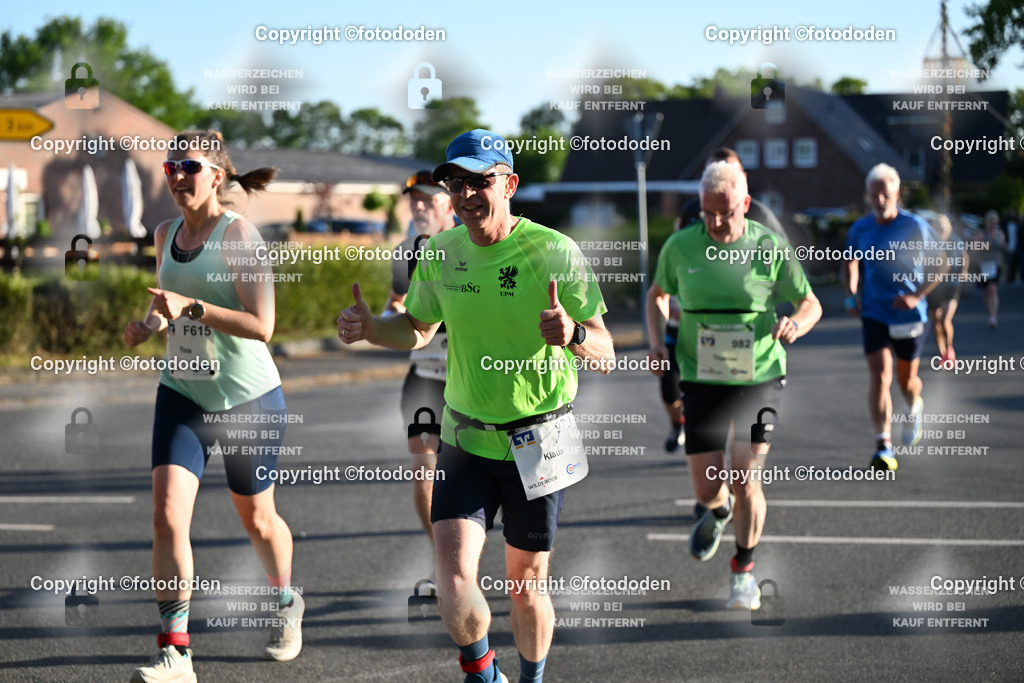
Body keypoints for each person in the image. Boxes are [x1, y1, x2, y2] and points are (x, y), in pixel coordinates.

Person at [338, 129, 615, 683]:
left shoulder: (555, 250)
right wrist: (372, 328)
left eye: (479, 181)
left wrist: (575, 333)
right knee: (454, 578)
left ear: (509, 184)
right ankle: (484, 673)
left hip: (542, 438)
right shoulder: (439, 253)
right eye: (455, 182)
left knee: (526, 584)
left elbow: (606, 350)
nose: (465, 194)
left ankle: (531, 677)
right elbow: (417, 329)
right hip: (465, 436)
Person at [124, 130, 302, 683]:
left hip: (248, 398)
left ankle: (285, 601)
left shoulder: (239, 236)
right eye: (170, 165)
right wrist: (149, 324)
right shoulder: (164, 233)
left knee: (257, 519)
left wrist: (193, 306)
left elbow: (262, 326)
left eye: (189, 167)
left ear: (216, 176)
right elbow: (167, 302)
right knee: (167, 516)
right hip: (182, 391)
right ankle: (176, 651)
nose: (176, 175)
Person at [647, 161, 821, 610]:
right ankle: (718, 510)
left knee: (745, 476)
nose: (717, 222)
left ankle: (743, 569)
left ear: (746, 204)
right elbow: (657, 295)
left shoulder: (769, 246)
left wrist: (796, 325)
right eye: (708, 213)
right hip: (701, 376)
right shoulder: (681, 247)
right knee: (708, 488)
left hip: (760, 374)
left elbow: (810, 302)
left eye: (725, 212)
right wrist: (656, 343)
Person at [384, 170, 456, 577]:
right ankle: (445, 564)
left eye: (427, 199)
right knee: (425, 477)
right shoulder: (405, 251)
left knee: (472, 479)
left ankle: (466, 550)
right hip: (424, 378)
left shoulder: (470, 248)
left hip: (472, 381)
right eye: (414, 201)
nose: (419, 207)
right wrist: (387, 317)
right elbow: (396, 300)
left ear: (448, 204)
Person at [843, 163, 939, 471]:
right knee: (879, 376)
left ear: (896, 192)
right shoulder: (860, 229)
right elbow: (850, 262)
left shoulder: (916, 226)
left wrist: (916, 295)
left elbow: (942, 263)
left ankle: (914, 406)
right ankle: (883, 445)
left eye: (885, 194)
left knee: (905, 380)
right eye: (874, 195)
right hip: (874, 312)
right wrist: (850, 293)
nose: (879, 200)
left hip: (909, 316)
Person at [924, 214, 967, 367]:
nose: (940, 231)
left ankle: (949, 348)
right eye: (937, 227)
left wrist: (963, 275)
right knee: (936, 322)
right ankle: (941, 353)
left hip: (951, 286)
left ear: (948, 228)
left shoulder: (955, 241)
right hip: (933, 288)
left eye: (942, 228)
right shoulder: (929, 243)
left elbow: (964, 257)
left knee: (944, 320)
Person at [976, 210, 1006, 329]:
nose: (992, 223)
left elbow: (1004, 247)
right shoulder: (981, 234)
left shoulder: (1000, 234)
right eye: (990, 220)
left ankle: (993, 316)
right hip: (983, 265)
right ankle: (990, 311)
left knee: (993, 289)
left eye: (994, 220)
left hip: (995, 265)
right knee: (986, 291)